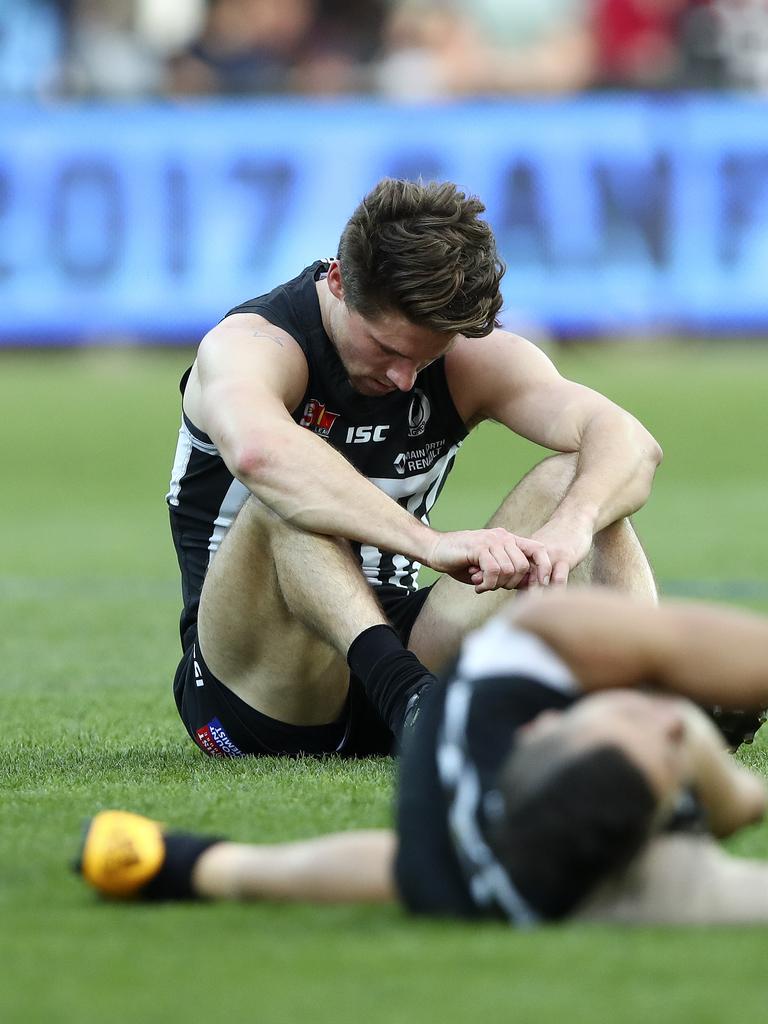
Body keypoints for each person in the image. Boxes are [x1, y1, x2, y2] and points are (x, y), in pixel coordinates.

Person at [167, 177, 662, 759]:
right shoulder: (254, 344)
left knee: (574, 480)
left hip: (414, 649)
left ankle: (654, 701)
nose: (406, 378)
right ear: (338, 282)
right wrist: (427, 544)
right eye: (388, 350)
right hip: (260, 681)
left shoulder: (464, 353)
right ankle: (410, 697)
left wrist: (571, 528)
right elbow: (260, 454)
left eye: (426, 357)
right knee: (284, 491)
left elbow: (629, 441)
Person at [79, 588, 768, 925]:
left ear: (540, 728)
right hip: (579, 848)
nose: (659, 720)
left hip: (523, 777)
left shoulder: (547, 638)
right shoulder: (523, 892)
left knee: (419, 873)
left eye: (625, 712)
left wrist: (208, 868)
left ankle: (210, 865)